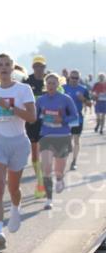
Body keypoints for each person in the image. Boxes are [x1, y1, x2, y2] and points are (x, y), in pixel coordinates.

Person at [0, 53, 36, 250]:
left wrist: (11, 108)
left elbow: (31, 117)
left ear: (13, 68)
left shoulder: (24, 89)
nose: (4, 68)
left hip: (18, 143)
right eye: (0, 65)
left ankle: (15, 207)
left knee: (13, 188)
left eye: (7, 64)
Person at [36, 73, 79, 209]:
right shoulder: (41, 100)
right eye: (49, 83)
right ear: (45, 85)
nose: (51, 86)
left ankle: (59, 179)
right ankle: (49, 199)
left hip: (62, 136)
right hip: (46, 136)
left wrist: (62, 120)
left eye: (54, 83)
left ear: (58, 85)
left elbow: (75, 117)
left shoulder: (66, 99)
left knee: (58, 171)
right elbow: (35, 116)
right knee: (46, 169)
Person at [23, 56, 48, 199]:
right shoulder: (27, 82)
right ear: (33, 67)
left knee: (47, 153)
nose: (39, 69)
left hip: (48, 123)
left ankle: (44, 180)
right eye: (37, 66)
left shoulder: (50, 80)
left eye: (42, 66)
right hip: (32, 122)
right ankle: (40, 182)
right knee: (34, 153)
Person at [62, 70, 90, 171]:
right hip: (65, 118)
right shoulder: (63, 88)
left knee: (76, 140)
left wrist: (83, 99)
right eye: (72, 78)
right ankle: (63, 160)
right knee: (66, 140)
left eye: (76, 78)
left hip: (77, 118)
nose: (74, 80)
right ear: (69, 77)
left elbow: (90, 104)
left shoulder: (83, 89)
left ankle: (74, 161)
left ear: (79, 79)